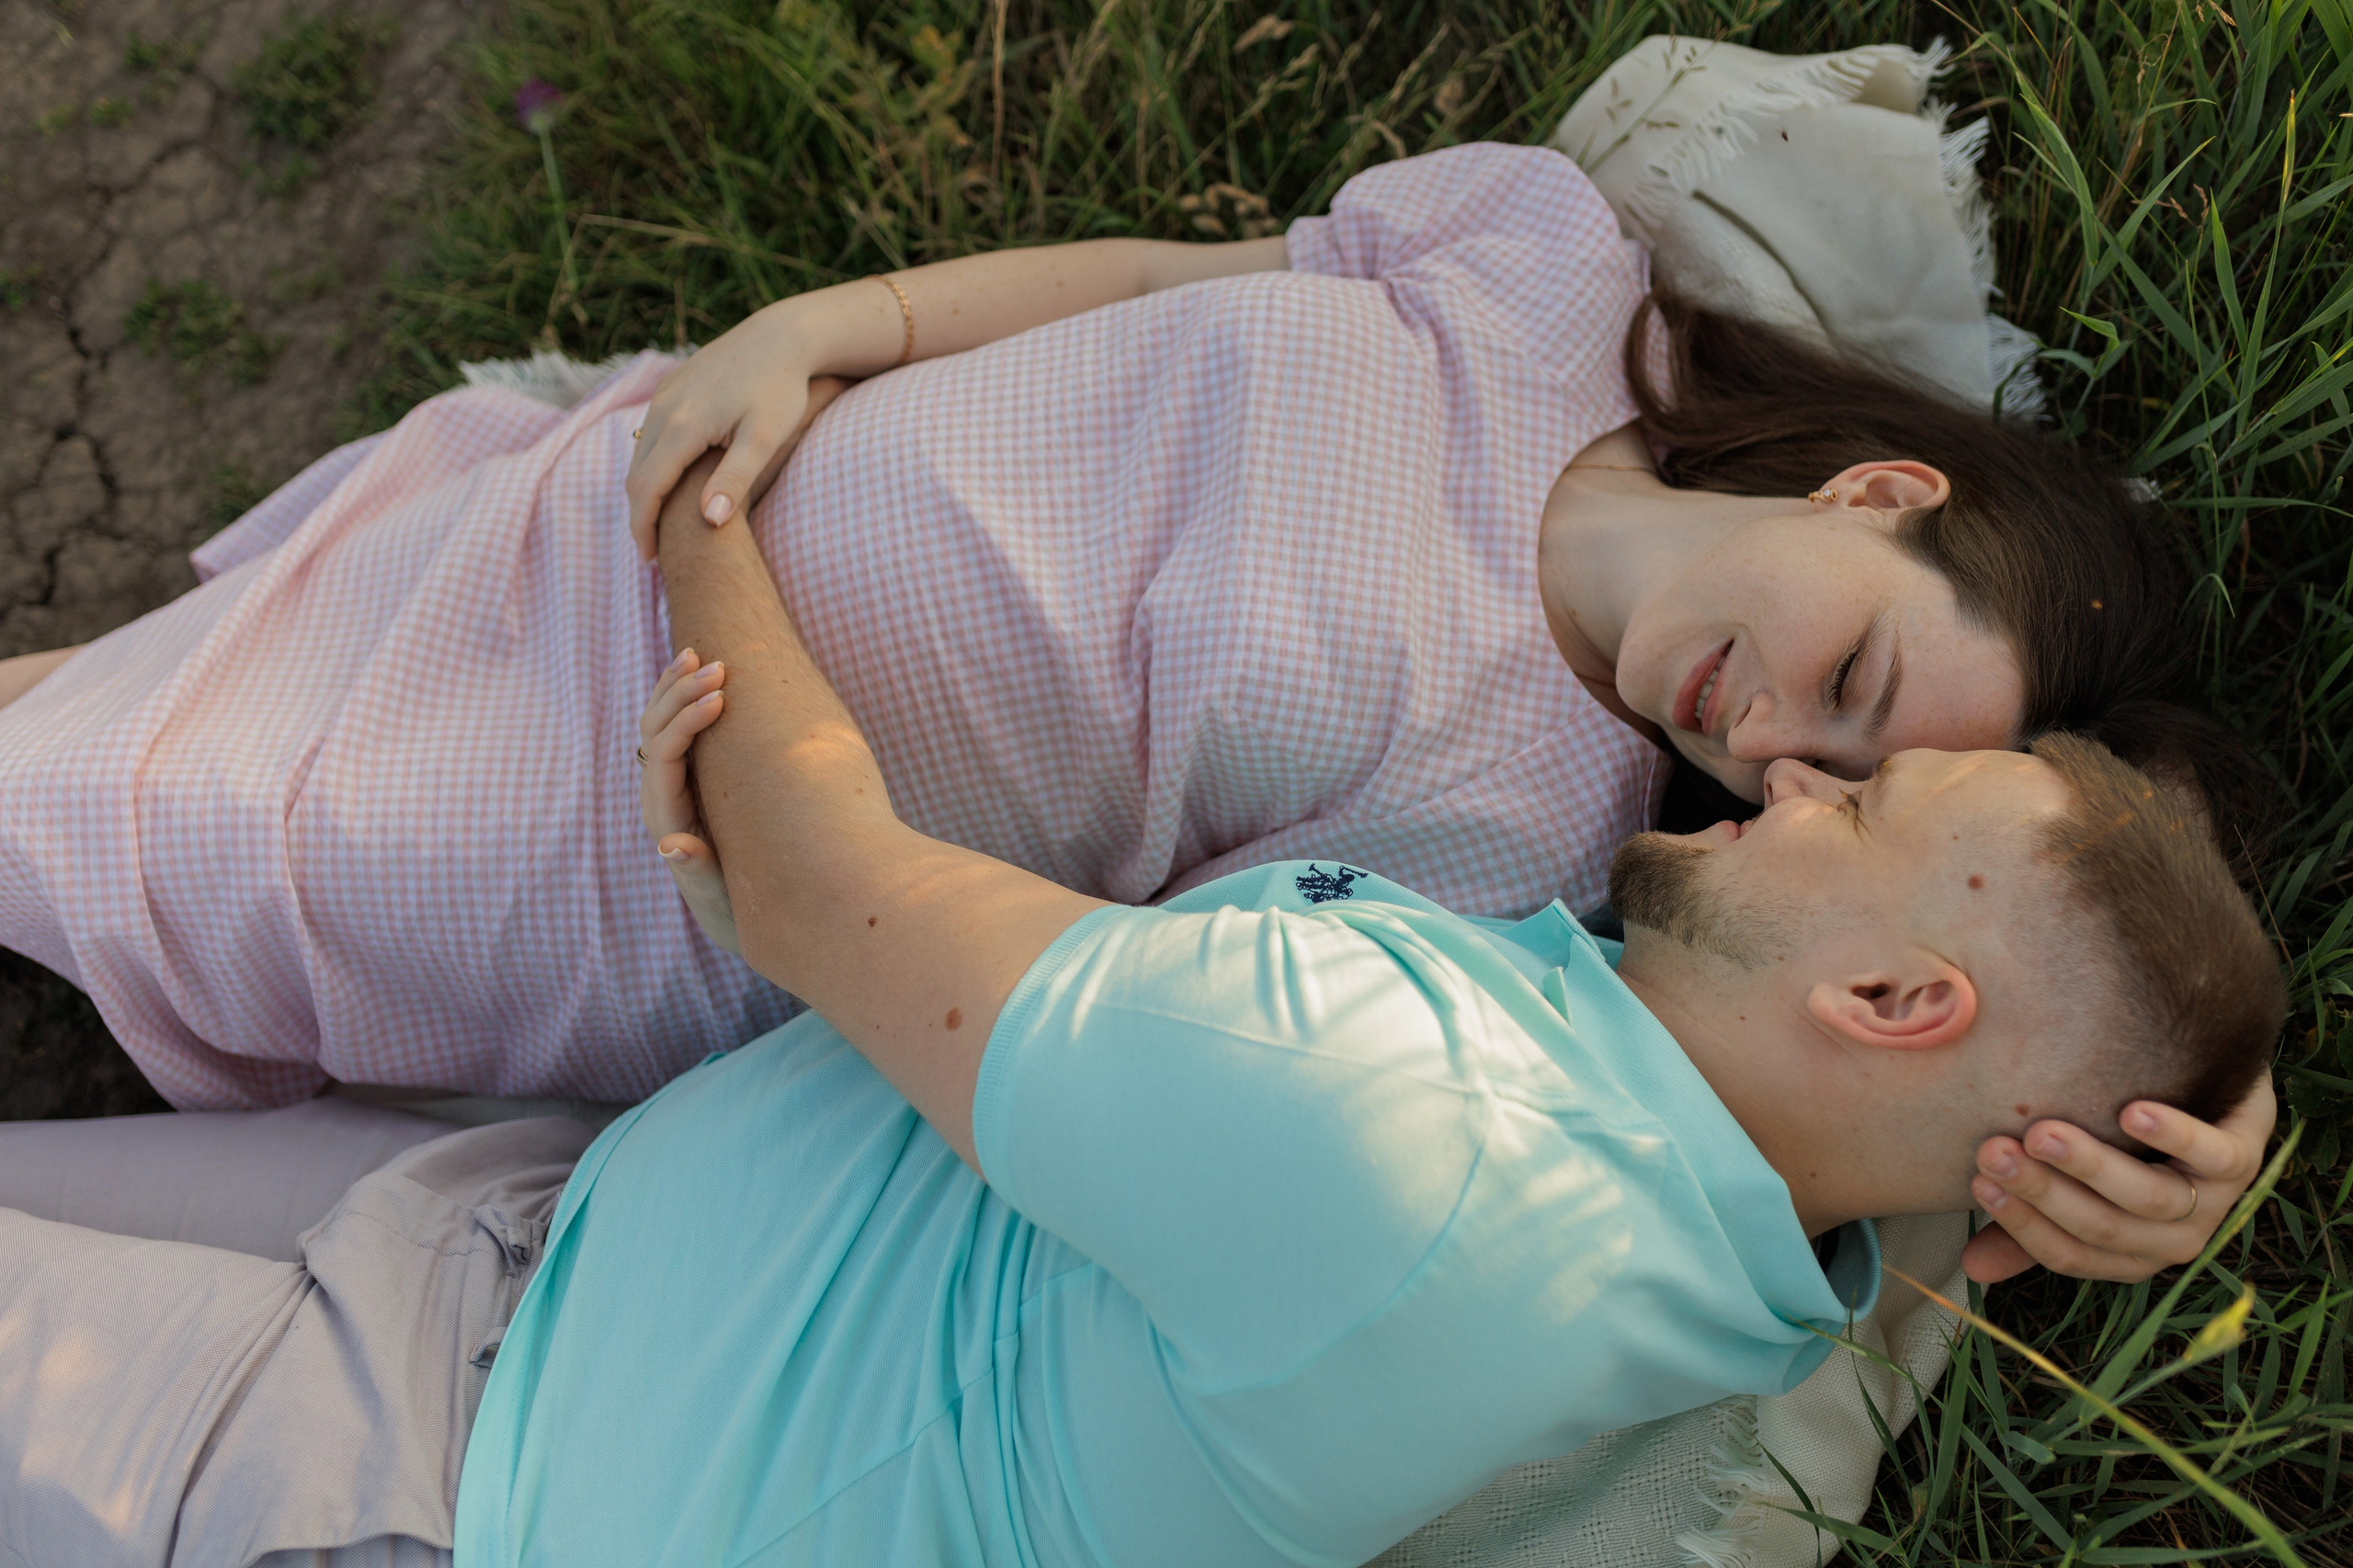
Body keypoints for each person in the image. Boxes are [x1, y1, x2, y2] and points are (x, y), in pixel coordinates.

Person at [0, 142, 2270, 1281]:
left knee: (105, 802)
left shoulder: (1531, 838)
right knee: (111, 703)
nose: (1771, 735)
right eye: (1847, 665)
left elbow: (1861, 1059)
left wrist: (2177, 1123)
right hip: (655, 495)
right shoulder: (1539, 270)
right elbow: (1186, 283)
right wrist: (846, 326)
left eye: (1828, 773)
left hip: (622, 821)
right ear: (1880, 490)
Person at [0, 461, 2284, 1568]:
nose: (1781, 771)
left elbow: (806, 876)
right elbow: (1976, 1158)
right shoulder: (1763, 1263)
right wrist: (2196, 1133)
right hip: (529, 1254)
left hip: (428, 1488)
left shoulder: (1407, 1138)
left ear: (1891, 995)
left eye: (1861, 793)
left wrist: (694, 512)